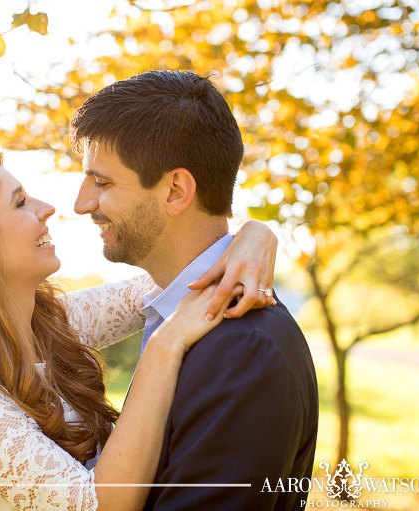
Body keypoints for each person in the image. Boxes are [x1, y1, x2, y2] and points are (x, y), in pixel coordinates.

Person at [0, 150, 278, 511]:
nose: (48, 208)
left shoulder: (54, 324)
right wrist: (166, 345)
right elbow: (94, 505)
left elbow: (182, 276)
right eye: (20, 202)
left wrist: (254, 234)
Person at [70, 70, 319, 510]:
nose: (81, 203)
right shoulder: (175, 312)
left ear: (176, 190)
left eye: (102, 182)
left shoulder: (243, 350)